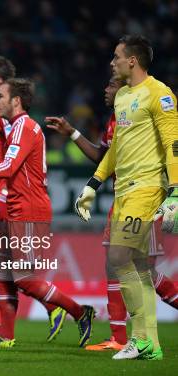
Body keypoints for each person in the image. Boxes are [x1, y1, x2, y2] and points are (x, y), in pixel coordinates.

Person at [0, 78, 95, 348]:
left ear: (16, 101)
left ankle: (80, 311)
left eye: (1, 96)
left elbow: (9, 167)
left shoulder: (24, 126)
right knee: (4, 273)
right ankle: (6, 336)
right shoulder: (18, 128)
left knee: (25, 279)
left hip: (30, 209)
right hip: (17, 206)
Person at [46, 75, 177, 352]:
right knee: (115, 266)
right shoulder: (115, 121)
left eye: (110, 85)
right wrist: (72, 132)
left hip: (144, 196)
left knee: (142, 271)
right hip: (121, 199)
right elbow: (102, 157)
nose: (105, 89)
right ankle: (118, 338)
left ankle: (130, 339)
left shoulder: (144, 115)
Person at [74, 35, 177, 360]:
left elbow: (174, 143)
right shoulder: (122, 97)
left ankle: (139, 338)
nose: (112, 62)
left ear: (132, 60)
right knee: (138, 266)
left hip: (147, 189)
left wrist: (175, 191)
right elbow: (115, 149)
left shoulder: (159, 94)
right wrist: (94, 183)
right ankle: (151, 345)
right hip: (124, 191)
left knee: (118, 257)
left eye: (116, 57)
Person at [0, 56, 66, 347]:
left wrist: (2, 194)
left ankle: (4, 326)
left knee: (5, 266)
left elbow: (15, 158)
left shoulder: (7, 120)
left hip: (5, 197)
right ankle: (0, 324)